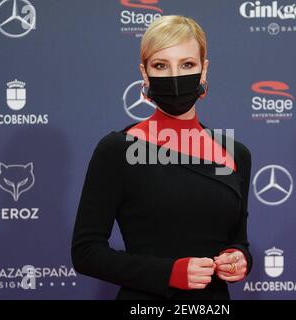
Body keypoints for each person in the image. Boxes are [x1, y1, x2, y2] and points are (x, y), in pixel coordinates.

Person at [71, 15, 253, 300]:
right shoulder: (117, 149)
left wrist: (239, 257)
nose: (175, 76)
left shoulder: (235, 154)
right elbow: (86, 252)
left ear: (203, 70)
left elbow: (237, 240)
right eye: (160, 65)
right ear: (144, 74)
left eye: (187, 64)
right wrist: (169, 273)